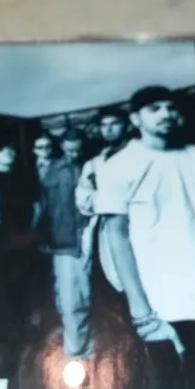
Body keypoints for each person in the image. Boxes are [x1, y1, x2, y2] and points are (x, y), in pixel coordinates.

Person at [94, 86, 195, 389]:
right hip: (160, 302)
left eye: (170, 107)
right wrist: (140, 308)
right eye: (154, 108)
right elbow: (116, 237)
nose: (166, 114)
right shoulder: (118, 166)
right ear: (135, 119)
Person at [32, 129, 93, 360]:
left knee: (86, 296)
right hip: (62, 244)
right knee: (69, 299)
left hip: (89, 240)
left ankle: (88, 349)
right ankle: (77, 351)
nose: (74, 154)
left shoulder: (92, 166)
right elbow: (43, 207)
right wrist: (42, 237)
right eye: (70, 150)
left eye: (78, 150)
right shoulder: (50, 171)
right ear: (62, 146)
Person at [75, 109, 129, 289]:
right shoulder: (94, 164)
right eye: (104, 125)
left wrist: (106, 194)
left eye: (114, 124)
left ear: (127, 125)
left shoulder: (140, 156)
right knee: (114, 280)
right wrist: (106, 197)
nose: (109, 129)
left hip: (139, 225)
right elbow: (83, 200)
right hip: (107, 227)